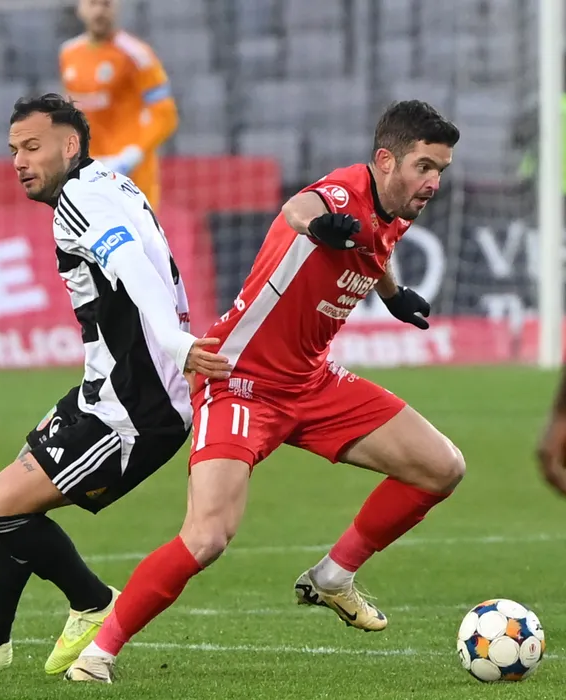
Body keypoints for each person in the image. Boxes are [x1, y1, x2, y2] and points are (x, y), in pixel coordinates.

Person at [66, 100, 466, 683]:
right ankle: (96, 655)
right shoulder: (342, 194)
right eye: (424, 167)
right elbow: (300, 208)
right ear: (385, 160)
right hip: (240, 381)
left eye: (440, 171)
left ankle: (333, 576)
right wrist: (317, 227)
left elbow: (375, 242)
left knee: (442, 467)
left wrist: (392, 293)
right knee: (207, 537)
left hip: (313, 381)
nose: (433, 183)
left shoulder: (395, 207)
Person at [0, 94, 230, 675]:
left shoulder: (79, 200)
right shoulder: (110, 184)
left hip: (134, 410)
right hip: (107, 390)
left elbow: (132, 267)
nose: (19, 161)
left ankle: (94, 603)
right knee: (16, 486)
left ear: (71, 144)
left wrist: (175, 341)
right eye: (13, 150)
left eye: (32, 147)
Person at [60, 0, 177, 211]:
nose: (99, 10)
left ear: (117, 6)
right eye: (93, 3)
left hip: (130, 174)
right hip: (89, 172)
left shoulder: (138, 55)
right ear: (80, 7)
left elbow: (165, 115)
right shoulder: (69, 53)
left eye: (106, 4)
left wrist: (132, 154)